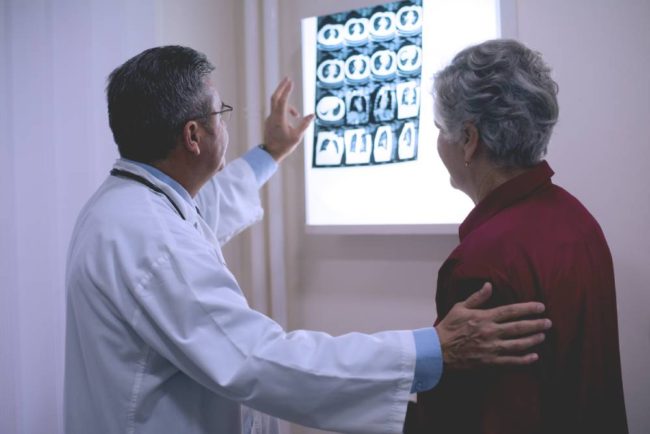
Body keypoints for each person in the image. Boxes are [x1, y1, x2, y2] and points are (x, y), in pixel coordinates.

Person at [64, 45, 551, 434]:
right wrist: (430, 351)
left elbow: (203, 213)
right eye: (222, 113)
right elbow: (256, 360)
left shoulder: (130, 205)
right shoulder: (150, 236)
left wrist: (271, 153)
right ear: (194, 136)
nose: (226, 123)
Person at [410, 39, 628, 433]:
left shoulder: (481, 261)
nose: (439, 142)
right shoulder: (578, 220)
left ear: (469, 139)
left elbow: (463, 418)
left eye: (442, 129)